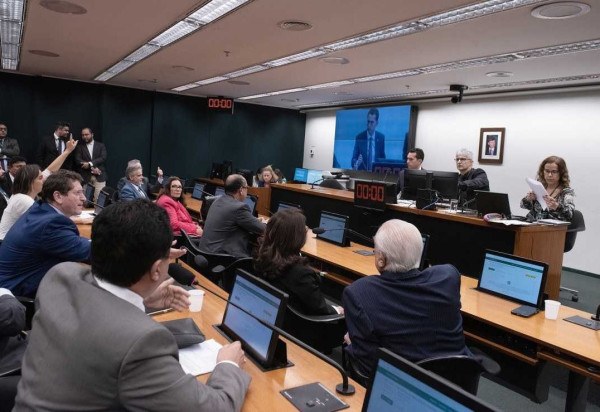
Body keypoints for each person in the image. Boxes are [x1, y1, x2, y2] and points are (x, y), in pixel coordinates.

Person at [14, 199, 251, 411]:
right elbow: (214, 407)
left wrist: (142, 302)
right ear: (157, 269)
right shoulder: (141, 343)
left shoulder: (59, 277)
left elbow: (97, 317)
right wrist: (228, 364)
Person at [343, 219, 471, 377]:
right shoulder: (448, 276)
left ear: (381, 259)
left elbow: (368, 365)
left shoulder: (359, 292)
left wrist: (353, 345)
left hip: (400, 386)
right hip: (457, 383)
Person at [0, 170, 90, 297]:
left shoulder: (40, 209)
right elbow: (90, 252)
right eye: (77, 193)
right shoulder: (51, 224)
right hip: (18, 297)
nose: (84, 198)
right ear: (58, 196)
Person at [255, 208, 342, 315]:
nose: (306, 229)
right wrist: (338, 310)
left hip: (270, 312)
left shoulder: (261, 256)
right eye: (303, 228)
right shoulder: (301, 273)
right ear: (296, 237)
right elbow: (320, 308)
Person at [0, 138, 78, 240]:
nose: (44, 180)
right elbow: (49, 220)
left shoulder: (22, 195)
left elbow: (50, 170)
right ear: (31, 182)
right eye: (40, 178)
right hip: (5, 244)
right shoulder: (23, 200)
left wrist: (67, 151)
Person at [198, 174, 266, 258]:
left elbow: (231, 218)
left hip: (205, 253)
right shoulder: (239, 208)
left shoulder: (217, 201)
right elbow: (263, 229)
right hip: (220, 257)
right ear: (241, 190)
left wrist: (253, 220)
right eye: (246, 188)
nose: (247, 190)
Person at [520, 156, 575, 221]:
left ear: (561, 173)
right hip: (532, 225)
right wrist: (529, 199)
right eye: (547, 171)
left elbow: (570, 215)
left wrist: (556, 207)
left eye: (554, 172)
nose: (549, 175)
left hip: (552, 229)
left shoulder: (566, 192)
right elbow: (522, 205)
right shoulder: (539, 186)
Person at [74, 127, 107, 202]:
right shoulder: (79, 147)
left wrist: (90, 164)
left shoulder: (100, 145)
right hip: (85, 177)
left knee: (99, 200)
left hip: (99, 176)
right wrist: (90, 167)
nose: (84, 136)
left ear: (92, 134)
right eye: (83, 135)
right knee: (84, 201)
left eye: (87, 134)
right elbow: (77, 160)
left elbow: (103, 158)